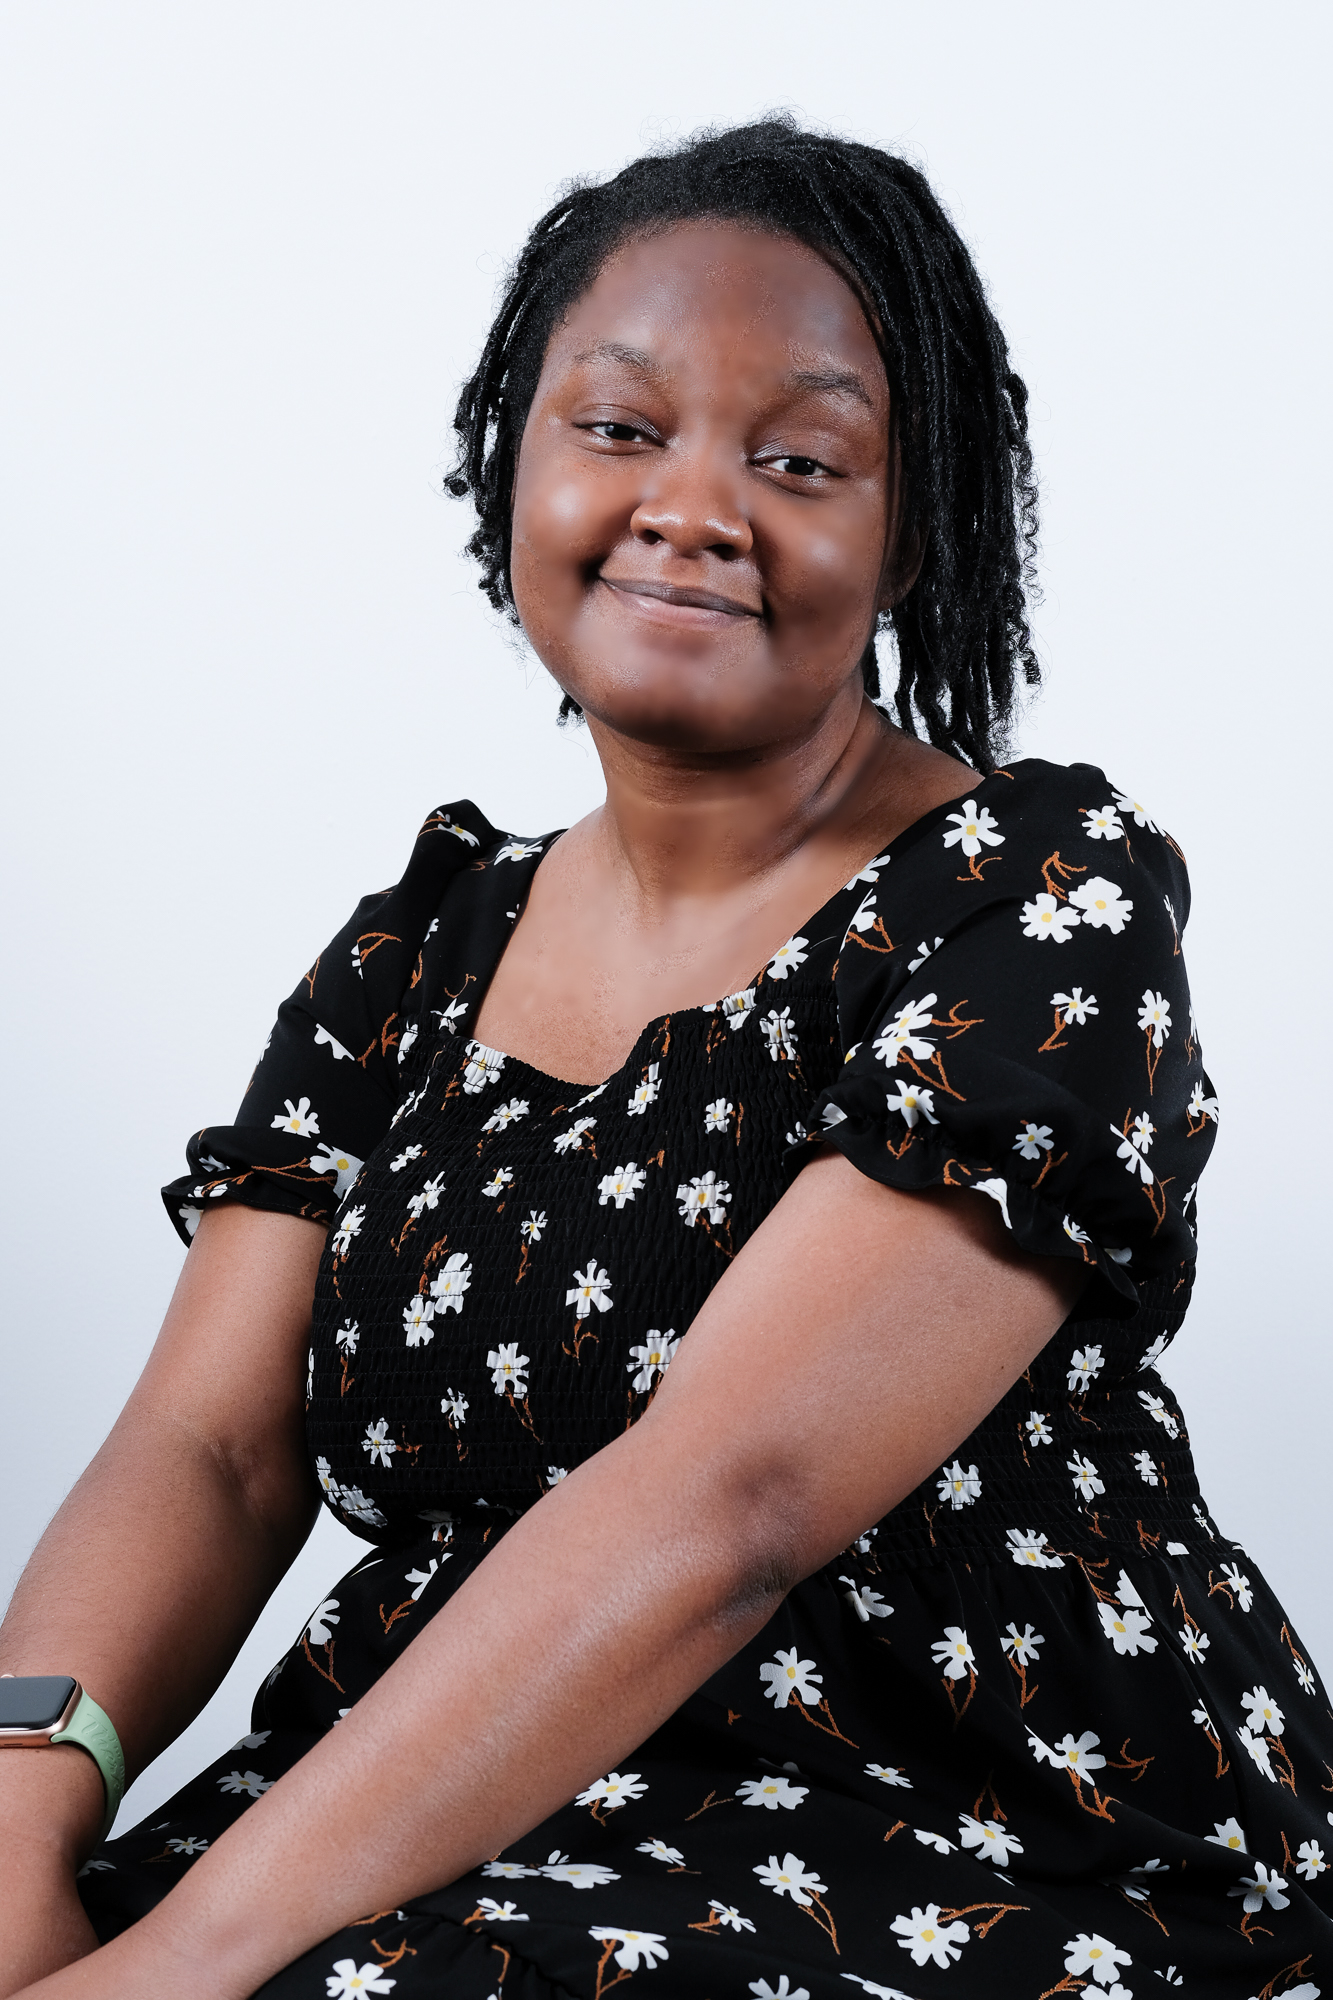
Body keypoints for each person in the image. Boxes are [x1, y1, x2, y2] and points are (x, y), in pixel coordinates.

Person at [0, 117, 1325, 2000]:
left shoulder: (1031, 901)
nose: (694, 503)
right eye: (619, 429)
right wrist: (18, 1818)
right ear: (508, 463)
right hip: (458, 1775)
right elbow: (208, 1452)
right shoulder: (416, 952)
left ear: (913, 528)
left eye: (800, 460)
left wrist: (204, 1945)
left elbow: (726, 1508)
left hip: (955, 1813)